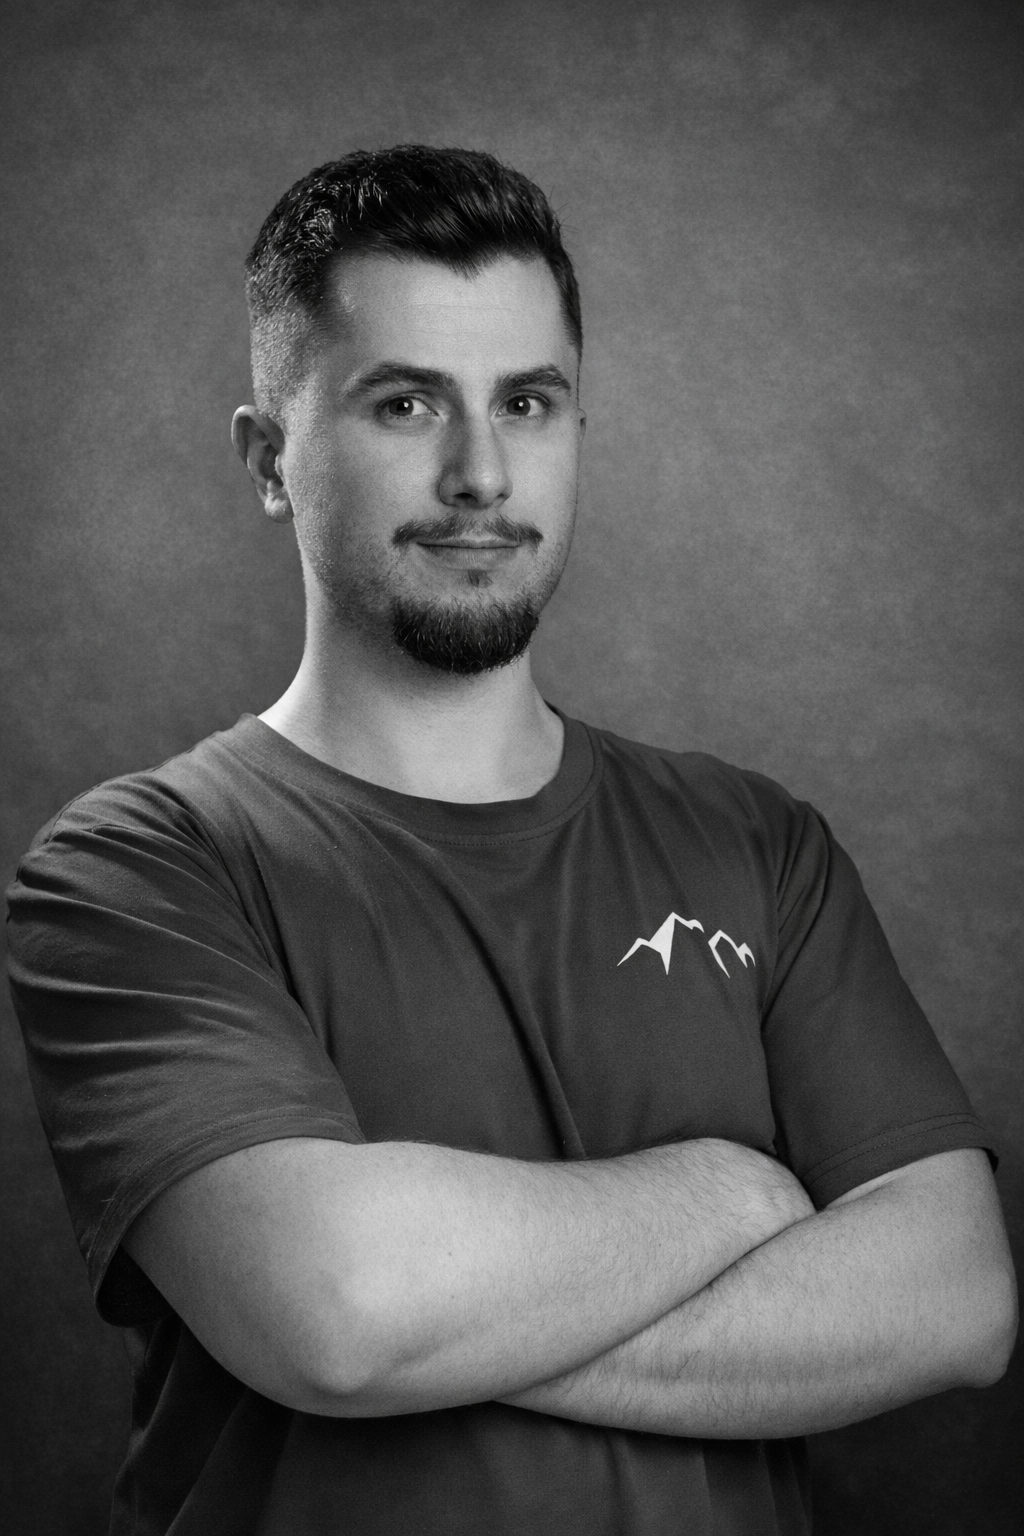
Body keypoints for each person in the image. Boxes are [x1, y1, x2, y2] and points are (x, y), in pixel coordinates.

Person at [7, 145, 1016, 1536]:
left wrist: (452, 1329)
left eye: (527, 403)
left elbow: (954, 1301)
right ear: (270, 460)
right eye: (406, 402)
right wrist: (731, 1196)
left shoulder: (756, 843)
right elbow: (339, 1314)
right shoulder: (139, 868)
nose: (480, 473)